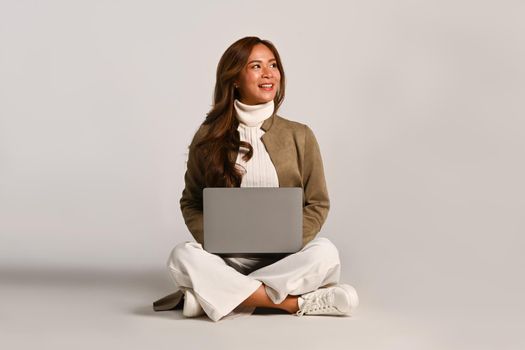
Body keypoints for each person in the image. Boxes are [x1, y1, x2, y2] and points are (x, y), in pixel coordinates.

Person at [153, 36, 359, 322]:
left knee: (326, 253)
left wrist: (292, 239)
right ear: (234, 78)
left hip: (287, 258)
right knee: (182, 256)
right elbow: (191, 202)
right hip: (229, 259)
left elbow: (318, 202)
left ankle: (213, 295)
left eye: (273, 65)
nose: (268, 74)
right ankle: (292, 303)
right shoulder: (208, 137)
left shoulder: (301, 135)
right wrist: (212, 239)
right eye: (256, 66)